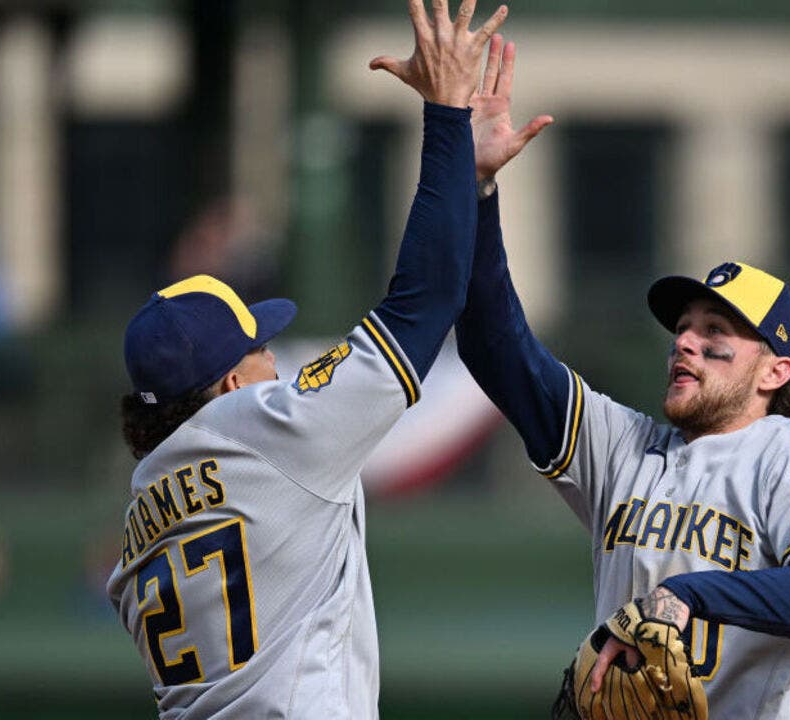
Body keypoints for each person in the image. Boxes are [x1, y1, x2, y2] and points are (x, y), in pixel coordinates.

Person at [104, 2, 508, 717]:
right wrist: (446, 116)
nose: (272, 362)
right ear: (230, 383)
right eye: (258, 349)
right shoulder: (265, 433)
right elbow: (424, 304)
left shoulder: (142, 511)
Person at [457, 43, 790, 718]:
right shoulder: (625, 448)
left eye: (717, 334)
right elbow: (493, 346)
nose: (686, 341)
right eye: (684, 326)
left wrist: (695, 594)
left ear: (776, 370)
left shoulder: (783, 458)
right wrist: (474, 191)